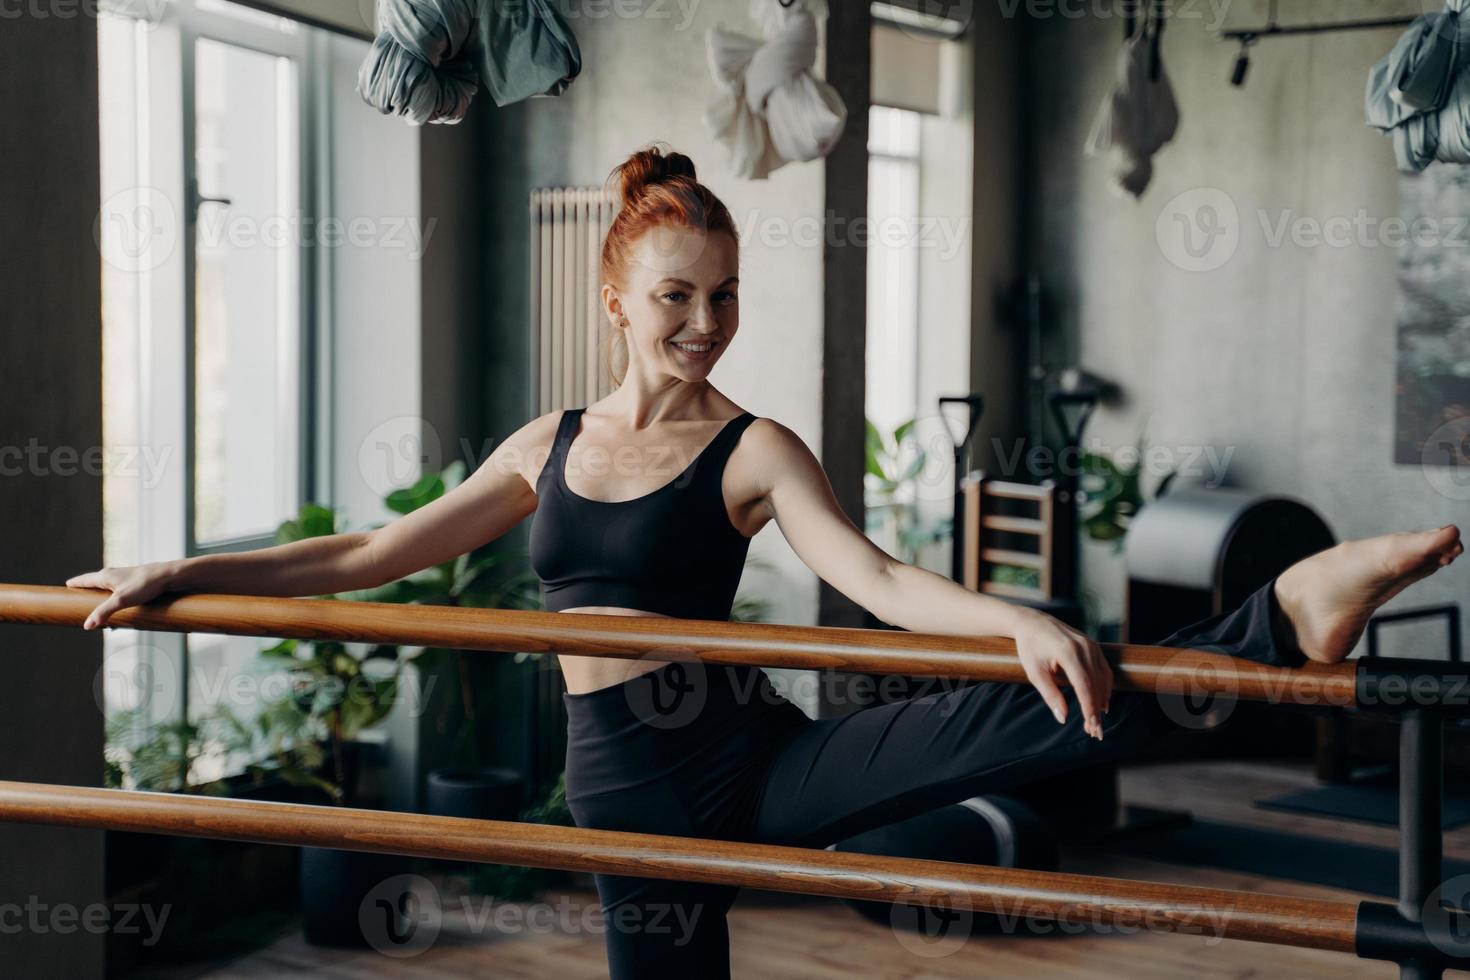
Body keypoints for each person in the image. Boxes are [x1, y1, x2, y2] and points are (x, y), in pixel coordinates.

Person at [66, 145, 1465, 978]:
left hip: (753, 761)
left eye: (722, 297)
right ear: (616, 299)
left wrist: (1012, 616)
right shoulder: (540, 441)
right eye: (675, 297)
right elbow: (375, 553)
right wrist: (176, 575)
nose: (703, 323)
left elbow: (876, 584)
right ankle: (1278, 619)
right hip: (617, 789)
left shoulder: (753, 446)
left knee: (1032, 701)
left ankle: (1283, 611)